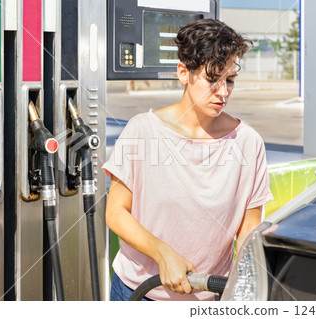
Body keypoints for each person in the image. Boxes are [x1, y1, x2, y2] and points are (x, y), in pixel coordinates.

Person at [102, 19, 273, 301]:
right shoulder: (142, 130)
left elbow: (248, 228)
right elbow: (116, 213)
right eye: (212, 79)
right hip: (138, 292)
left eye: (230, 80)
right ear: (183, 72)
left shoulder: (248, 142)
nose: (223, 92)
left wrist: (241, 287)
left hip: (210, 294)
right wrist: (162, 253)